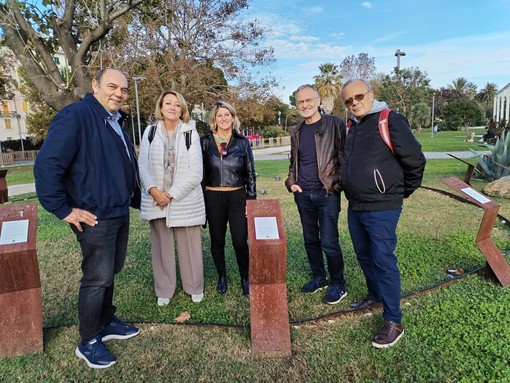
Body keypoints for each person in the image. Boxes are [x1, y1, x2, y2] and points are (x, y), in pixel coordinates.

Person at [34, 68, 140, 369]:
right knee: (97, 277)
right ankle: (89, 340)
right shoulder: (76, 116)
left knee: (110, 271)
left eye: (123, 88)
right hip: (95, 216)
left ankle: (106, 321)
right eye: (112, 86)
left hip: (116, 211)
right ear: (95, 86)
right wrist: (63, 209)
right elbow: (47, 166)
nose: (118, 93)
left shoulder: (114, 120)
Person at [340, 79, 426, 348]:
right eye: (348, 101)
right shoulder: (351, 126)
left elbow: (415, 161)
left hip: (382, 208)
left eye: (359, 96)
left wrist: (398, 192)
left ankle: (393, 320)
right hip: (356, 206)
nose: (354, 103)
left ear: (371, 95)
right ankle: (375, 295)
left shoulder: (389, 120)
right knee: (365, 256)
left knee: (383, 259)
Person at [138, 90, 205, 306]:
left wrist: (172, 194)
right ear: (161, 108)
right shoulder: (149, 132)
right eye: (168, 103)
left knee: (190, 244)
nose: (173, 107)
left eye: (177, 104)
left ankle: (194, 286)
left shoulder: (190, 133)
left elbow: (196, 172)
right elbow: (142, 165)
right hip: (156, 197)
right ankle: (164, 289)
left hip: (183, 198)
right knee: (161, 246)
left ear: (182, 109)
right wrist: (154, 190)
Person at [284, 84, 348, 305]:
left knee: (329, 241)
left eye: (308, 100)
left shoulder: (334, 123)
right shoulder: (297, 131)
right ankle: (319, 277)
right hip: (303, 194)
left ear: (318, 100)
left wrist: (336, 185)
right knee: (310, 239)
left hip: (327, 193)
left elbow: (344, 157)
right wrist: (291, 182)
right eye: (300, 101)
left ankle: (338, 284)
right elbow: (294, 162)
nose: (305, 104)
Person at [201, 101, 256, 296]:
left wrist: (251, 199)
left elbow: (250, 173)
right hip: (213, 197)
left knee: (240, 241)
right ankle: (222, 276)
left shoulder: (242, 142)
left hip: (237, 197)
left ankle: (245, 277)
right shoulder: (205, 142)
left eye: (227, 114)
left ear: (233, 118)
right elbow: (201, 174)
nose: (223, 118)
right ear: (214, 120)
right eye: (219, 115)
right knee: (217, 241)